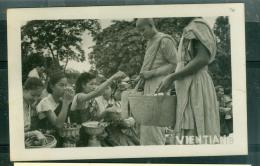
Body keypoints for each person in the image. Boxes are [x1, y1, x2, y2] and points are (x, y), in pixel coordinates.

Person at [157, 18, 220, 144]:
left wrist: (172, 77)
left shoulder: (198, 25)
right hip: (186, 87)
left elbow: (202, 59)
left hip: (196, 85)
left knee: (197, 130)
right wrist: (172, 80)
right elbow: (185, 63)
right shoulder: (190, 27)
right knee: (187, 132)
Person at [135, 18, 178, 145]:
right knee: (146, 124)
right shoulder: (150, 42)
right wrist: (140, 77)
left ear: (151, 25)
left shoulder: (165, 40)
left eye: (143, 30)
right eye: (139, 31)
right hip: (148, 84)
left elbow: (175, 64)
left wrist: (152, 73)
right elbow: (150, 65)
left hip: (160, 84)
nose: (141, 33)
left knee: (154, 124)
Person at [69, 71, 126, 146]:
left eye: (95, 84)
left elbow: (94, 120)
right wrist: (114, 77)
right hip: (77, 139)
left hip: (89, 136)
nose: (94, 87)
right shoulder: (79, 97)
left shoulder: (90, 100)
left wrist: (106, 112)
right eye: (91, 84)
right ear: (83, 85)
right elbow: (97, 92)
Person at [36, 71, 74, 146]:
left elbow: (67, 123)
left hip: (60, 139)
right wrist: (66, 102)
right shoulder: (45, 102)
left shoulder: (61, 101)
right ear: (52, 86)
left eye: (66, 85)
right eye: (61, 85)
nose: (65, 88)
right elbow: (58, 125)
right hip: (47, 142)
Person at [23, 77, 46, 147]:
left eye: (38, 96)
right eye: (33, 95)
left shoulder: (28, 103)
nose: (35, 99)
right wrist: (35, 133)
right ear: (24, 90)